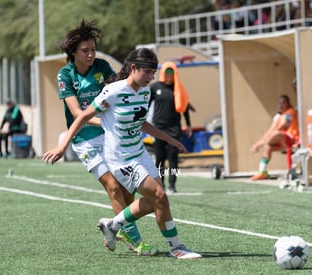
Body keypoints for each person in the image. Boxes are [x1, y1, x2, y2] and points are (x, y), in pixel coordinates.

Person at [43, 48, 202, 259]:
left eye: (153, 73)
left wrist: (170, 139)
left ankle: (112, 225)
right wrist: (63, 146)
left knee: (159, 200)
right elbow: (81, 117)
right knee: (159, 195)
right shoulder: (113, 92)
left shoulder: (145, 92)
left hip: (140, 153)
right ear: (133, 68)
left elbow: (141, 122)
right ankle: (176, 247)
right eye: (147, 72)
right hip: (120, 158)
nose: (151, 77)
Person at [56, 19, 157, 256]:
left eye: (93, 49)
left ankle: (116, 226)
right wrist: (105, 122)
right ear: (73, 52)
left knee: (126, 189)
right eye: (85, 50)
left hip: (110, 137)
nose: (91, 54)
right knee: (113, 187)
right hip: (84, 139)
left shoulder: (102, 67)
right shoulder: (66, 75)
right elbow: (78, 114)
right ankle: (137, 241)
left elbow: (118, 90)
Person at [149, 61, 192, 193]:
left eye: (171, 72)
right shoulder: (155, 87)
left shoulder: (178, 88)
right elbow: (146, 105)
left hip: (174, 128)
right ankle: (160, 184)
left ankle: (172, 185)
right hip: (158, 128)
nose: (169, 75)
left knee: (173, 158)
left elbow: (184, 108)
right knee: (160, 157)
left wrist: (188, 125)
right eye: (167, 72)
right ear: (162, 73)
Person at [250, 95, 299, 180]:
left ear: (288, 103)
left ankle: (290, 168)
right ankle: (262, 172)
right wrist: (257, 144)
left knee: (276, 134)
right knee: (268, 147)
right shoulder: (279, 116)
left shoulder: (290, 113)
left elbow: (280, 127)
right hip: (283, 141)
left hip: (293, 140)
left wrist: (261, 143)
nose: (281, 105)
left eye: (283, 103)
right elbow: (270, 130)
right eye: (279, 103)